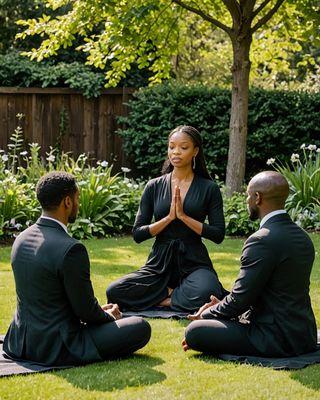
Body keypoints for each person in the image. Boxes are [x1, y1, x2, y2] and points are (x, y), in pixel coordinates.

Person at [3, 172, 151, 366]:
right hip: (60, 346)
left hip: (20, 343)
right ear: (67, 202)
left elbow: (54, 298)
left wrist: (98, 310)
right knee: (140, 327)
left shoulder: (21, 238)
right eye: (77, 198)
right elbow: (85, 312)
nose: (78, 204)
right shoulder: (71, 249)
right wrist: (108, 315)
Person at [183, 171, 317, 357]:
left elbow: (240, 300)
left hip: (273, 337)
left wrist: (206, 314)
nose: (247, 200)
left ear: (257, 197)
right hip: (303, 335)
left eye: (248, 195)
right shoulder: (303, 237)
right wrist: (221, 304)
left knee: (195, 331)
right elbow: (267, 291)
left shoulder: (261, 240)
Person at [107, 125, 227, 312]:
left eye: (183, 147)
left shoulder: (208, 188)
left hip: (194, 261)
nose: (176, 152)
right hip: (158, 263)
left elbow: (218, 234)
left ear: (195, 151)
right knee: (115, 291)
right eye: (172, 147)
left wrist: (184, 217)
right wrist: (169, 218)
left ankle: (164, 299)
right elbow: (138, 234)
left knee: (208, 289)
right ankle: (176, 295)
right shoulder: (153, 186)